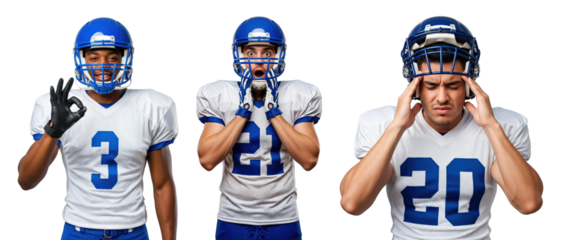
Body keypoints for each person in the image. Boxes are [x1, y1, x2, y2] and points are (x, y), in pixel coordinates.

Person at [339, 14, 543, 239]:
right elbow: (352, 204)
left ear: (470, 85)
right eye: (431, 85)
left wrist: (491, 126)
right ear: (414, 86)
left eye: (454, 85)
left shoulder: (504, 124)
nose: (442, 97)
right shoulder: (381, 123)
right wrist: (397, 127)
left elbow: (529, 204)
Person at [17, 15, 179, 240]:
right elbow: (26, 181)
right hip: (78, 231)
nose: (103, 65)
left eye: (112, 58)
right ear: (80, 58)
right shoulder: (60, 105)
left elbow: (162, 185)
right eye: (94, 58)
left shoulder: (151, 105)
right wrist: (53, 130)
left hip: (133, 232)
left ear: (127, 58)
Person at [195, 15, 322, 240]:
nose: (259, 60)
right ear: (238, 54)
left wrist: (273, 110)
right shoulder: (219, 93)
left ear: (279, 54)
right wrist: (243, 111)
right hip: (232, 217)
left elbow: (309, 161)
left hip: (283, 217)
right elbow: (207, 161)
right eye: (251, 52)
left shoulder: (299, 93)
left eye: (267, 52)